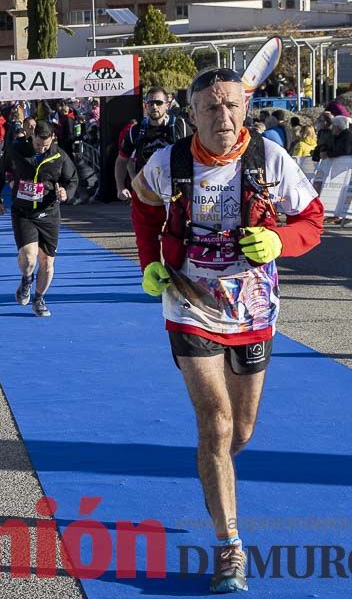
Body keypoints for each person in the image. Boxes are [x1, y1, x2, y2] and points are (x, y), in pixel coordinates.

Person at [131, 67, 324, 594]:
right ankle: (230, 546)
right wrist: (149, 260)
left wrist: (281, 241)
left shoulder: (270, 159)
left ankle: (213, 471)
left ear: (246, 107)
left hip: (254, 309)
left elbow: (312, 219)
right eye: (212, 108)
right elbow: (143, 204)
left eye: (233, 105)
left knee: (240, 433)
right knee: (214, 424)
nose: (224, 116)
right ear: (190, 114)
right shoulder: (167, 162)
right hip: (189, 304)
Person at [0, 120, 78, 317]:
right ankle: (27, 278)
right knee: (29, 258)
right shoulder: (17, 150)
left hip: (49, 213)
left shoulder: (59, 155)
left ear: (52, 139)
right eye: (38, 144)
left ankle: (38, 299)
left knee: (47, 263)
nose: (41, 148)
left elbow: (72, 179)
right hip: (24, 212)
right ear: (32, 136)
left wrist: (66, 192)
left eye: (45, 145)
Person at [116, 87, 190, 201]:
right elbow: (122, 160)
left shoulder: (180, 126)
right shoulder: (135, 130)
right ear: (146, 106)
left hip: (176, 194)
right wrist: (120, 187)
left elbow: (196, 155)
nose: (154, 107)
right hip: (145, 194)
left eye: (158, 103)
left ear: (167, 105)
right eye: (150, 103)